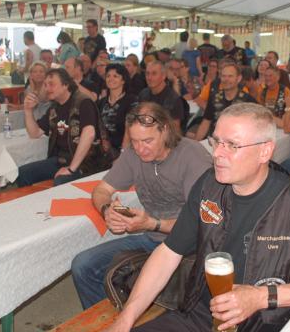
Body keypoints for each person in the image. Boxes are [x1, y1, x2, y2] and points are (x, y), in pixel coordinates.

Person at [87, 103, 290, 332]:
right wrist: (123, 323)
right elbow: (168, 252)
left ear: (265, 151)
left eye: (232, 145)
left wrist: (259, 297)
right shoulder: (209, 186)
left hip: (266, 330)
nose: (217, 154)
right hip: (204, 317)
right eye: (216, 142)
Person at [71, 102, 212, 309]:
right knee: (83, 265)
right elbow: (101, 191)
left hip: (190, 244)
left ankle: (130, 317)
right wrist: (106, 210)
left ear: (165, 130)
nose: (139, 149)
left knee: (145, 282)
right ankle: (109, 319)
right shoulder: (132, 154)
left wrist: (152, 223)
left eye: (147, 141)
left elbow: (201, 223)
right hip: (153, 237)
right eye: (134, 141)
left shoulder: (192, 156)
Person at [18, 68, 110, 186]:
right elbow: (35, 133)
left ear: (65, 85)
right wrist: (28, 110)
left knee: (60, 181)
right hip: (61, 160)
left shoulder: (83, 102)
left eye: (51, 84)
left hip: (87, 162)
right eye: (45, 85)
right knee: (23, 173)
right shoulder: (54, 108)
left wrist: (71, 169)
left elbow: (89, 134)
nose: (47, 88)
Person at [192, 61, 256, 141]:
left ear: (238, 79)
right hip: (215, 141)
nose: (226, 79)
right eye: (223, 76)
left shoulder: (248, 101)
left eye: (230, 76)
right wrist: (196, 142)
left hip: (239, 143)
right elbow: (206, 122)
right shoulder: (214, 98)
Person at [98, 63, 137, 154]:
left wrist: (122, 155)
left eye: (115, 76)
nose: (110, 79)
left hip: (124, 150)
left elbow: (130, 130)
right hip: (102, 150)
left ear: (123, 80)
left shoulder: (131, 101)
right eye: (108, 76)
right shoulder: (101, 102)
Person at [137, 60, 185, 130]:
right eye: (147, 73)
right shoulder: (143, 94)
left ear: (163, 76)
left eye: (154, 74)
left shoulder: (173, 99)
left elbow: (175, 130)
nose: (149, 77)